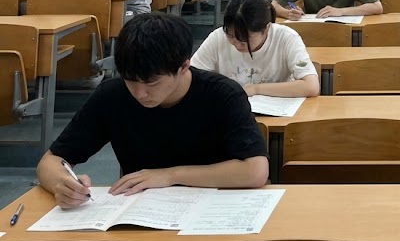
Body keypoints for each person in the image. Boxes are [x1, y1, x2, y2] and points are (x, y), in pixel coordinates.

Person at [37, 14, 269, 209]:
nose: (139, 93)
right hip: (141, 212)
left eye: (151, 82)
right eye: (130, 81)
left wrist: (169, 176)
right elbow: (51, 161)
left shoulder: (223, 94)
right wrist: (63, 184)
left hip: (214, 207)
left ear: (183, 66)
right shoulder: (112, 96)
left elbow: (255, 170)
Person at [194, 0, 320, 97]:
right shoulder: (217, 37)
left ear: (267, 28)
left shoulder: (287, 38)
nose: (237, 45)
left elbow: (311, 86)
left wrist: (256, 89)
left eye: (245, 39)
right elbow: (191, 78)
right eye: (231, 36)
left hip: (276, 113)